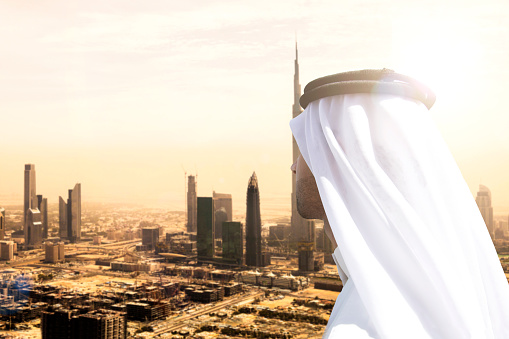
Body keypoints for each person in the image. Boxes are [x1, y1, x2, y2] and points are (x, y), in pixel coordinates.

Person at [290, 69, 509, 338]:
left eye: (304, 149)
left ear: (337, 156)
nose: (293, 166)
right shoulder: (456, 287)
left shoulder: (358, 326)